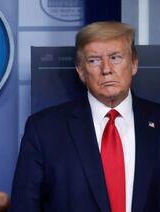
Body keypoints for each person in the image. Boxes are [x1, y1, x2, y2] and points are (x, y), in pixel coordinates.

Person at [11, 21, 160, 212]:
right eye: (94, 60)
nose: (106, 69)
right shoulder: (44, 130)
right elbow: (24, 206)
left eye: (115, 57)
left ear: (133, 64)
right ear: (81, 71)